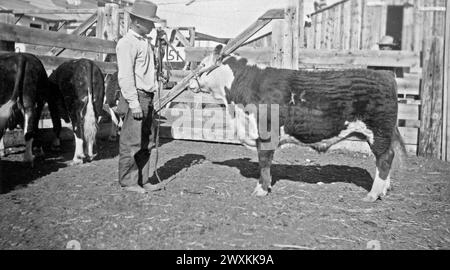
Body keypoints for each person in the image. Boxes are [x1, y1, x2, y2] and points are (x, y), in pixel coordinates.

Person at [116, 0, 162, 193]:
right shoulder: (126, 43)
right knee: (132, 141)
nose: (152, 25)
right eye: (150, 22)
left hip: (147, 97)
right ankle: (128, 182)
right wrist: (134, 103)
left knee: (147, 141)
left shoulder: (144, 43)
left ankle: (142, 179)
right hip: (136, 97)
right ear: (137, 22)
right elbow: (125, 76)